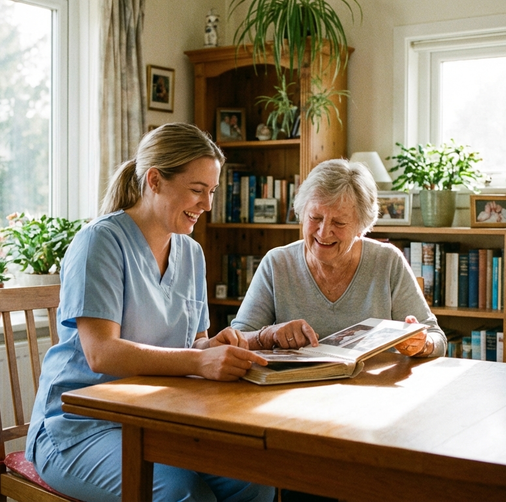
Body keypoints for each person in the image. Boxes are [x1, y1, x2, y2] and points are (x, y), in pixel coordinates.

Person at [25, 123, 274, 502]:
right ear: (155, 180)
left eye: (211, 192)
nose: (206, 205)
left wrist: (209, 348)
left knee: (254, 482)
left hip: (154, 419)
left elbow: (193, 342)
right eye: (196, 190)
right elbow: (101, 353)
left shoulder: (190, 253)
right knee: (184, 495)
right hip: (78, 429)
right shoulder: (101, 242)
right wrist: (198, 360)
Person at [230, 158, 446, 502]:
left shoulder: (386, 262)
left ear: (362, 225)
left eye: (339, 223)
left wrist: (419, 344)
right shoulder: (277, 263)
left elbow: (437, 336)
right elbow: (238, 339)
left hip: (372, 416)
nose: (323, 231)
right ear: (302, 214)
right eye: (315, 218)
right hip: (293, 417)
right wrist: (269, 334)